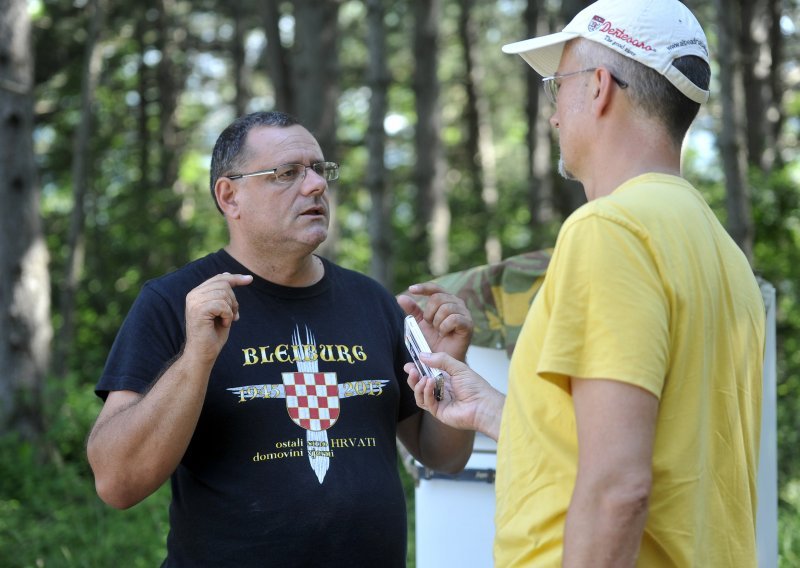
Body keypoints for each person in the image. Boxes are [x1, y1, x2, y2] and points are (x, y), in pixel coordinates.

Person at [406, 1, 766, 566]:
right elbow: (640, 439)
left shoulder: (610, 229)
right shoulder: (720, 250)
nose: (552, 115)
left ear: (599, 87)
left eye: (557, 86)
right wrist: (492, 409)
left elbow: (619, 487)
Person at [87, 110, 475, 567]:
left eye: (319, 169)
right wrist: (195, 360)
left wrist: (448, 366)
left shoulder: (371, 302)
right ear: (230, 196)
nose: (315, 186)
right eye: (287, 173)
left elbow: (440, 456)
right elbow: (117, 483)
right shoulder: (177, 303)